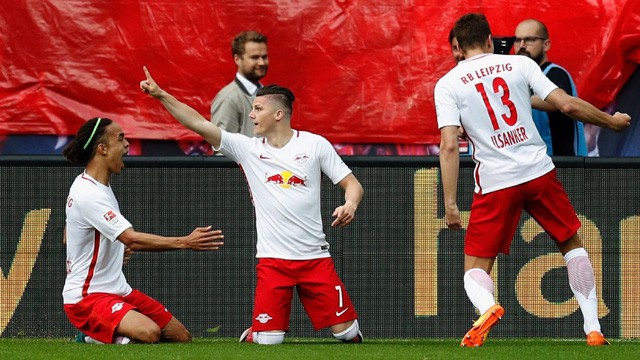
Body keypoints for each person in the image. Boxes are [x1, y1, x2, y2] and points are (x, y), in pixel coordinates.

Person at [435, 13, 631, 347]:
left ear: (458, 46)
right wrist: (611, 122)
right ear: (489, 41)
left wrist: (451, 203)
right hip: (538, 173)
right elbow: (566, 105)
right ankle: (593, 328)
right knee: (571, 245)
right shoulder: (519, 66)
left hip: (496, 182)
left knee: (474, 269)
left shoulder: (448, 84)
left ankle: (488, 306)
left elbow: (449, 145)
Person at [140, 68, 365, 345]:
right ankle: (257, 332)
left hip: (315, 259)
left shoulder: (315, 144)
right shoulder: (247, 148)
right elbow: (198, 124)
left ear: (278, 114)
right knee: (269, 342)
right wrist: (161, 95)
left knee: (348, 335)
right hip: (273, 261)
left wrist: (350, 204)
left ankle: (346, 327)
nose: (251, 115)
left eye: (257, 109)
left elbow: (353, 185)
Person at [62, 117, 225, 344]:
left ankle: (106, 331)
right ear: (102, 149)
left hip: (117, 289)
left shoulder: (94, 185)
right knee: (149, 333)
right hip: (86, 298)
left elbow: (69, 234)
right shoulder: (89, 193)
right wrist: (186, 242)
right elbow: (131, 239)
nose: (127, 144)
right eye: (121, 139)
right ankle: (91, 335)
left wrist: (113, 251)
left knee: (181, 337)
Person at [514, 19, 588, 156]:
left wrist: (514, 97)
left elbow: (557, 102)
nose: (522, 46)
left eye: (529, 39)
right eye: (517, 40)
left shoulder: (556, 73)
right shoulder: (515, 79)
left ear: (546, 45)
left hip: (565, 164)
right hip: (534, 166)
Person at [210, 30, 269, 138]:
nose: (261, 63)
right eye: (254, 57)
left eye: (264, 57)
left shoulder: (268, 95)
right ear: (237, 59)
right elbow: (222, 149)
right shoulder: (228, 99)